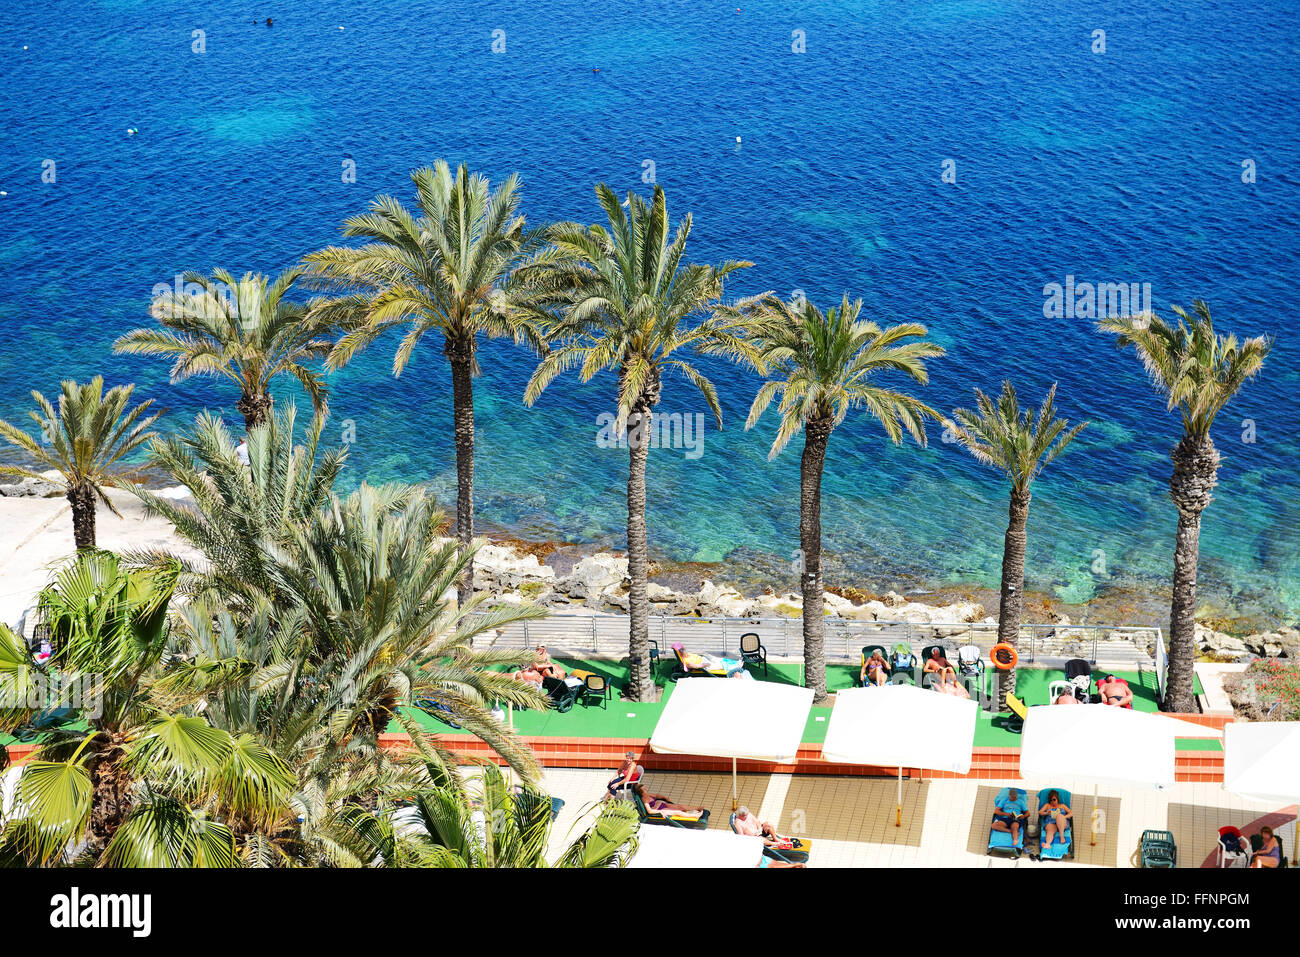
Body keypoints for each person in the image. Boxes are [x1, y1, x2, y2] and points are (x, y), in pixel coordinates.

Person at [632, 783, 705, 818]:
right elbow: (650, 811)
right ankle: (695, 816)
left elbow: (657, 795)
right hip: (661, 809)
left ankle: (697, 808)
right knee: (677, 812)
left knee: (679, 806)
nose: (646, 789)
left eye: (645, 788)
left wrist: (665, 798)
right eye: (644, 789)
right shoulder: (645, 800)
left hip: (662, 805)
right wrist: (660, 811)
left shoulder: (648, 795)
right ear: (641, 792)